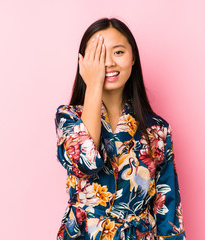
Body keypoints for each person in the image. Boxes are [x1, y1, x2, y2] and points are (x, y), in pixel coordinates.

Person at [54, 17, 186, 240]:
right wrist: (94, 84)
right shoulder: (69, 119)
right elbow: (87, 163)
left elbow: (168, 208)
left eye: (118, 52)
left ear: (133, 57)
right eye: (98, 56)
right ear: (84, 63)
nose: (108, 63)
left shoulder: (158, 130)